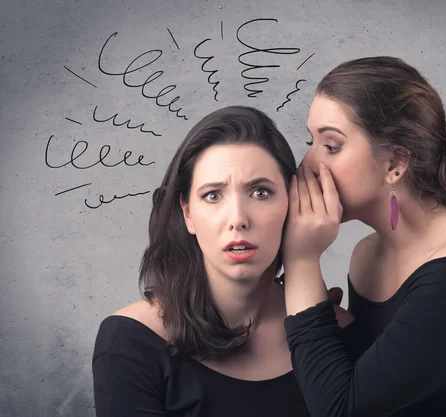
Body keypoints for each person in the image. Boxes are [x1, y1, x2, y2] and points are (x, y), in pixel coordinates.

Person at [282, 57, 446, 417]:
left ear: (395, 163)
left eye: (331, 146)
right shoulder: (368, 256)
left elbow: (341, 410)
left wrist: (300, 261)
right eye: (311, 141)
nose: (308, 165)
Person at [91, 105, 353, 417]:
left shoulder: (339, 333)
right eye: (213, 196)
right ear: (188, 214)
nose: (238, 219)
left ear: (292, 202)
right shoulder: (131, 342)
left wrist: (304, 262)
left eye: (260, 192)